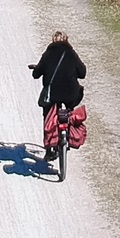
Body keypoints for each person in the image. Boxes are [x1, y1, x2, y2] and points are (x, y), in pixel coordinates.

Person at [29, 31, 86, 160]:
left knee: (48, 114)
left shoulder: (48, 53)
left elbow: (36, 74)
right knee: (69, 109)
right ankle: (69, 134)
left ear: (53, 40)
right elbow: (82, 73)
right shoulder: (71, 53)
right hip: (70, 93)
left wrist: (37, 69)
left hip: (53, 94)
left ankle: (49, 149)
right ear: (66, 40)